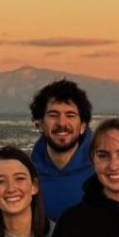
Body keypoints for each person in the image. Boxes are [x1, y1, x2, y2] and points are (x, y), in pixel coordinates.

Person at [29, 78, 94, 220]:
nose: (62, 123)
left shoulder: (102, 170)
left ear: (83, 126)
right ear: (40, 124)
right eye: (53, 115)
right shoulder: (28, 175)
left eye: (70, 115)